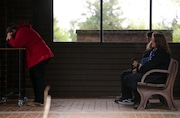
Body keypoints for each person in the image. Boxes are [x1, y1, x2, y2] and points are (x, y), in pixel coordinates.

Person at [6, 22, 54, 106]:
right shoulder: (24, 30)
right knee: (35, 77)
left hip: (39, 56)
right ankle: (39, 100)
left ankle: (40, 101)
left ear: (13, 31)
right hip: (40, 56)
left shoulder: (22, 31)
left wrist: (10, 39)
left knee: (38, 78)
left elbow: (17, 44)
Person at [124, 32, 171, 109]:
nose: (151, 42)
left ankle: (142, 100)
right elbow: (150, 65)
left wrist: (138, 66)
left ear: (158, 42)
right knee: (130, 77)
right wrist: (139, 68)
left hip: (157, 77)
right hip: (153, 74)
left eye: (153, 40)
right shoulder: (156, 51)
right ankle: (138, 99)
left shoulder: (161, 53)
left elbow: (151, 65)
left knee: (132, 78)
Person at [114, 31, 153, 104]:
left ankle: (137, 99)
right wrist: (137, 67)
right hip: (145, 71)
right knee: (124, 74)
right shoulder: (151, 49)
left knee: (130, 77)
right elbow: (146, 62)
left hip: (148, 74)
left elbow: (149, 64)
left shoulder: (155, 51)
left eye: (149, 38)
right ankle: (126, 96)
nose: (148, 40)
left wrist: (138, 67)